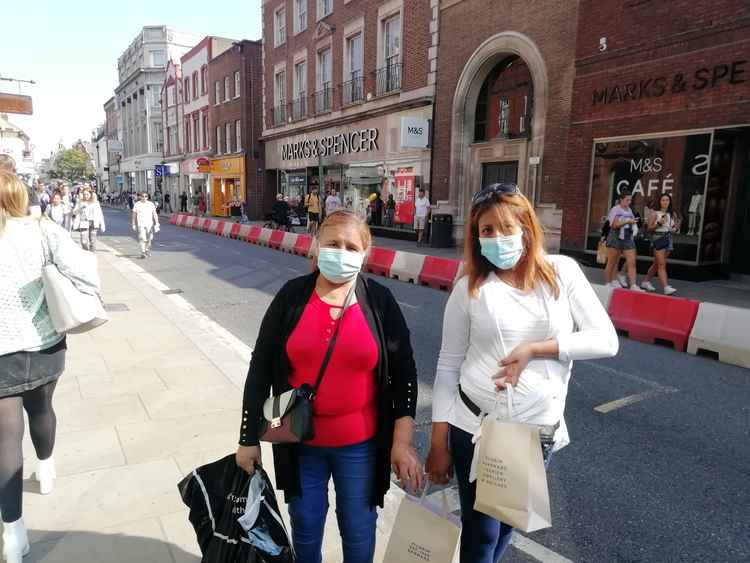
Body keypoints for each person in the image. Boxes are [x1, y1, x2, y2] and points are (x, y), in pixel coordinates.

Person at [425, 182, 618, 563]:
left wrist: (536, 349)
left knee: (508, 524)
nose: (497, 238)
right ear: (476, 237)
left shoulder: (562, 273)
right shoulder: (470, 288)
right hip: (477, 427)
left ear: (526, 227)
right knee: (482, 534)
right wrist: (437, 443)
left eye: (506, 227)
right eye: (487, 231)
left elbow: (607, 341)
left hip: (535, 431)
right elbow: (448, 365)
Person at [236, 210, 422, 563]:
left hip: (361, 445)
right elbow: (260, 367)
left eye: (351, 246)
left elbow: (405, 373)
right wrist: (247, 438)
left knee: (358, 529)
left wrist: (402, 441)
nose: (341, 252)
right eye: (333, 243)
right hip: (300, 441)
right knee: (305, 526)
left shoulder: (379, 302)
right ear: (316, 247)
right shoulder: (292, 297)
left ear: (365, 253)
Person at [0, 170, 101, 563]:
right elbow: (87, 273)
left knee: (6, 437)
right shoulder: (43, 230)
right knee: (42, 409)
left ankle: (13, 534)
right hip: (43, 344)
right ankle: (46, 470)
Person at [641, 193, 679, 295]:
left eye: (667, 200)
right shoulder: (654, 213)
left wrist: (675, 229)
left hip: (669, 238)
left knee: (657, 263)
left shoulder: (672, 214)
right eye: (663, 200)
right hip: (658, 238)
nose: (665, 202)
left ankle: (646, 281)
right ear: (659, 201)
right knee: (662, 264)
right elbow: (649, 228)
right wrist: (659, 223)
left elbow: (676, 227)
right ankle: (666, 287)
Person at [603, 191, 642, 291]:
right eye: (627, 200)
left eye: (630, 200)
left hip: (627, 236)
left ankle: (633, 285)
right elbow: (614, 225)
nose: (629, 202)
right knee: (612, 262)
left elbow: (632, 222)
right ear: (621, 199)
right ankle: (608, 283)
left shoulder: (629, 210)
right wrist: (627, 221)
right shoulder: (615, 209)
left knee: (632, 262)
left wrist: (634, 224)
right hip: (615, 236)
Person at [132, 192, 160, 259]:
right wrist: (133, 224)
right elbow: (134, 215)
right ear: (140, 197)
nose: (144, 198)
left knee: (149, 238)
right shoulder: (137, 204)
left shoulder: (151, 204)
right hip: (141, 224)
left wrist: (157, 223)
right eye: (142, 196)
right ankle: (143, 252)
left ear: (147, 197)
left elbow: (154, 214)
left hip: (149, 224)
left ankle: (147, 249)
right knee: (142, 238)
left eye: (146, 196)